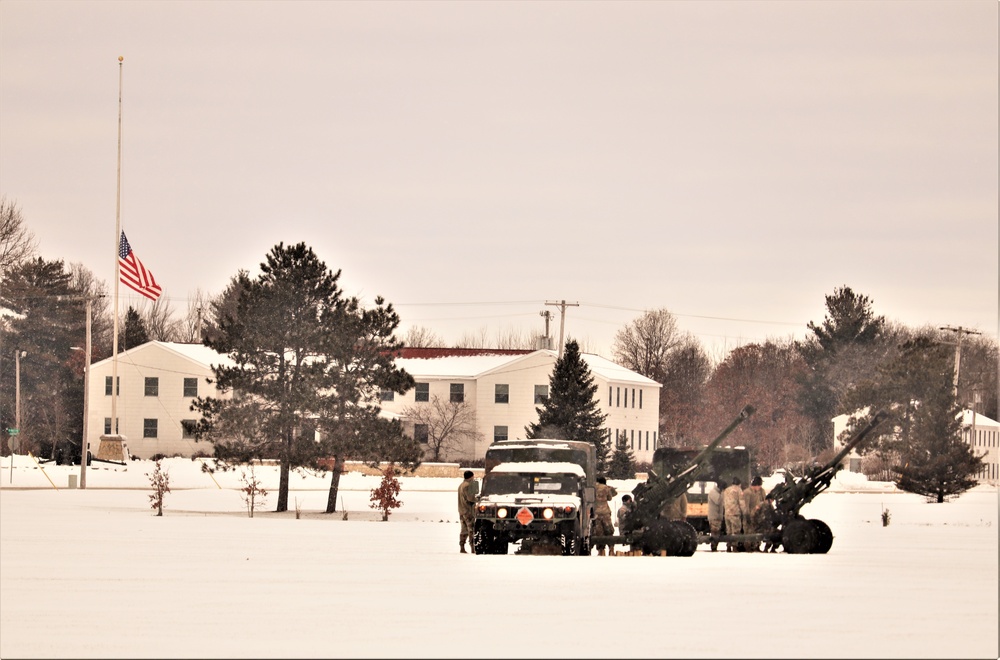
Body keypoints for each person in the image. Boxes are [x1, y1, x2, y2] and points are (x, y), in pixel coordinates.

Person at [593, 476, 617, 556]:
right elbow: (610, 498)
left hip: (595, 513)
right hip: (605, 512)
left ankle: (600, 550)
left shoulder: (592, 487)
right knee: (609, 531)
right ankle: (611, 549)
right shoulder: (606, 488)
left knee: (599, 532)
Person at [742, 475, 767, 552]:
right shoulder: (747, 492)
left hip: (756, 515)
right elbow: (745, 505)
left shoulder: (758, 492)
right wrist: (747, 516)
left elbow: (762, 501)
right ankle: (748, 547)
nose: (760, 488)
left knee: (755, 531)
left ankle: (755, 546)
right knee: (748, 532)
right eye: (759, 485)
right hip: (749, 515)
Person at [722, 476, 746, 552]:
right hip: (735, 513)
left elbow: (723, 502)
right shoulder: (738, 490)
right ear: (739, 484)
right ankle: (735, 547)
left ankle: (728, 546)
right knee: (735, 531)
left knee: (728, 531)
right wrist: (744, 512)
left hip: (727, 513)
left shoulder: (726, 490)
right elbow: (741, 502)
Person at [457, 470, 478, 554]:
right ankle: (472, 548)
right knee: (471, 529)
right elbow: (470, 498)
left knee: (463, 530)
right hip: (468, 511)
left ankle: (462, 547)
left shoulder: (461, 485)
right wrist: (478, 499)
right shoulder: (467, 486)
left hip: (461, 510)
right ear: (471, 476)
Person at [707, 478, 726, 552]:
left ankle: (715, 545)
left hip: (718, 516)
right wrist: (723, 493)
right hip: (714, 516)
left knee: (717, 532)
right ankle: (713, 546)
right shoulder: (713, 492)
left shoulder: (718, 492)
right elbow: (718, 501)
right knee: (715, 531)